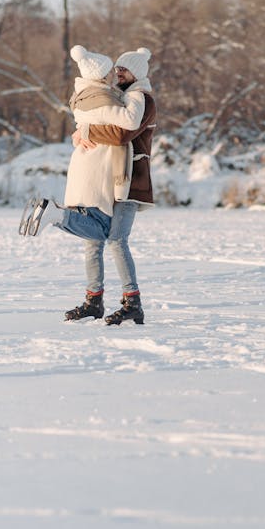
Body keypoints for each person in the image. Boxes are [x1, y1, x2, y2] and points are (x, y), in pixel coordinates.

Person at [70, 46, 156, 326]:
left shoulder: (142, 98)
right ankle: (93, 300)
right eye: (116, 68)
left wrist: (85, 129)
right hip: (113, 179)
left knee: (117, 240)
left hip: (132, 181)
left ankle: (133, 303)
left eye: (124, 69)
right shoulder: (122, 97)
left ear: (138, 73)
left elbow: (121, 134)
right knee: (93, 241)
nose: (118, 72)